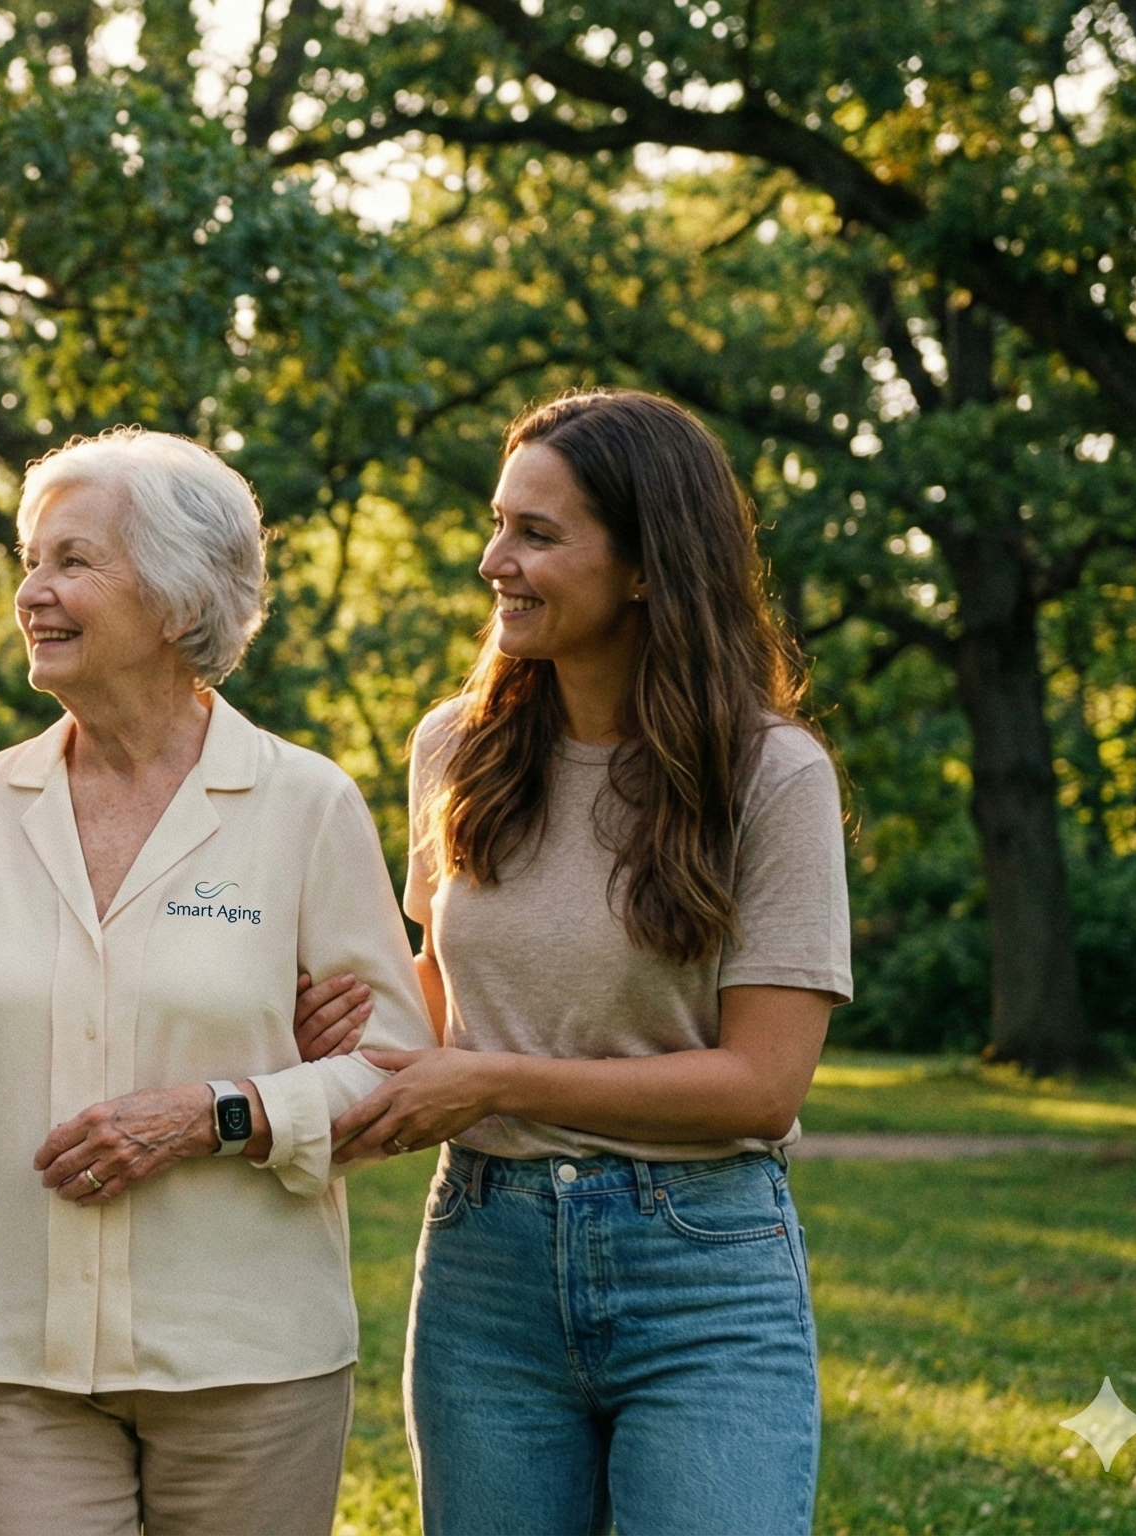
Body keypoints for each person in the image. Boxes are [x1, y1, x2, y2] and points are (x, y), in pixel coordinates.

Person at [0, 427, 434, 1535]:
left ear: (177, 597)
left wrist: (219, 1112)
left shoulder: (306, 807)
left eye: (72, 563)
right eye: (30, 563)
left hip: (250, 1364)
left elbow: (394, 1078)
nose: (32, 594)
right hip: (16, 1364)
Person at [325, 389, 851, 1535]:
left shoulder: (772, 776)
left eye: (537, 535)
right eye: (498, 523)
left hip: (702, 1267)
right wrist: (338, 1026)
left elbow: (761, 1085)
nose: (492, 559)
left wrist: (496, 1080)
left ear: (649, 567)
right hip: (485, 1261)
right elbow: (441, 998)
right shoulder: (453, 748)